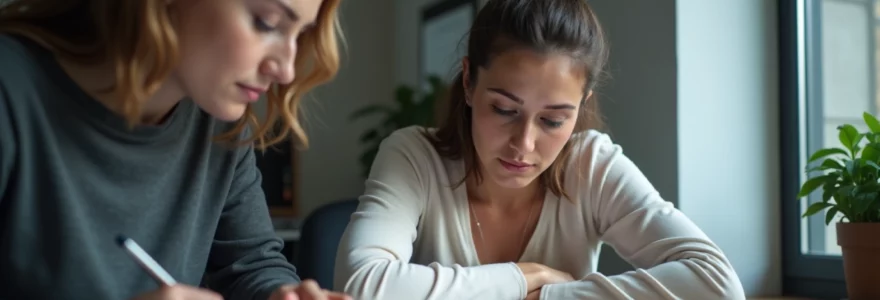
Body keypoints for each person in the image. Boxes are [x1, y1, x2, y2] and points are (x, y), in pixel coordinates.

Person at [333, 0, 746, 299]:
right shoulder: (413, 157)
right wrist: (520, 278)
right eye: (504, 109)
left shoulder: (591, 166)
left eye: (553, 120)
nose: (524, 144)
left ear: (581, 106)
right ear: (468, 82)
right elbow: (360, 285)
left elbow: (717, 284)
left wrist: (551, 297)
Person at [0, 0, 350, 299]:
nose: (287, 70)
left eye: (301, 34)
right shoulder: (10, 93)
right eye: (266, 23)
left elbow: (251, 264)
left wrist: (281, 293)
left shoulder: (217, 122)